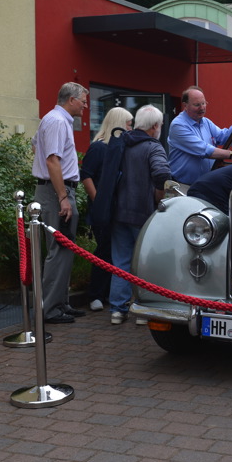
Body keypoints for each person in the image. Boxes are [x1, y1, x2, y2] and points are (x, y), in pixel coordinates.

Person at [109, 105, 171, 325]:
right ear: (155, 126)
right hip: (143, 213)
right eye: (160, 125)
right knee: (146, 263)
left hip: (118, 212)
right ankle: (143, 309)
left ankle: (117, 310)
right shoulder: (153, 147)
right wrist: (159, 195)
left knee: (120, 262)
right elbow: (162, 173)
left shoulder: (121, 143)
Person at [32, 82, 88, 324]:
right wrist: (63, 196)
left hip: (56, 190)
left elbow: (36, 144)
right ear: (72, 100)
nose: (86, 105)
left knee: (64, 250)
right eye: (83, 101)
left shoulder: (56, 119)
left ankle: (60, 303)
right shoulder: (56, 120)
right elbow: (52, 161)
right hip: (57, 192)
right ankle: (51, 309)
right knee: (59, 249)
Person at [80, 107, 133, 312]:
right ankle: (96, 294)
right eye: (128, 124)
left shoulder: (118, 147)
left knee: (113, 251)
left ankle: (108, 294)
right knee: (104, 250)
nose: (131, 128)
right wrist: (99, 201)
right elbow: (86, 176)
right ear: (118, 123)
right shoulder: (99, 147)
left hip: (114, 208)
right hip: (103, 210)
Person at [168, 86, 232, 185]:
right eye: (197, 105)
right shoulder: (178, 125)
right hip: (183, 185)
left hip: (205, 184)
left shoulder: (206, 122)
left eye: (203, 103)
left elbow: (223, 137)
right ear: (185, 105)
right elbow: (203, 150)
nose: (202, 108)